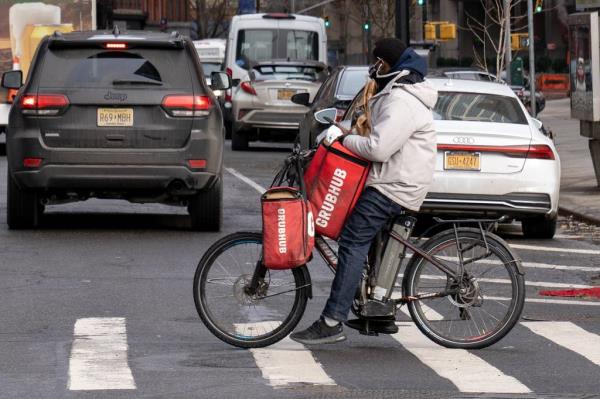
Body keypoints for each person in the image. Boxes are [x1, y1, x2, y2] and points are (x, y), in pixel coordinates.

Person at [290, 38, 438, 345]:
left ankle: (332, 321)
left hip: (395, 185)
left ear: (389, 66)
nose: (374, 69)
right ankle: (378, 312)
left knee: (353, 241)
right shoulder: (398, 94)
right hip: (395, 180)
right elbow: (374, 134)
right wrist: (345, 131)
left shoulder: (403, 100)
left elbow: (378, 148)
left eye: (379, 64)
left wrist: (341, 142)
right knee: (364, 242)